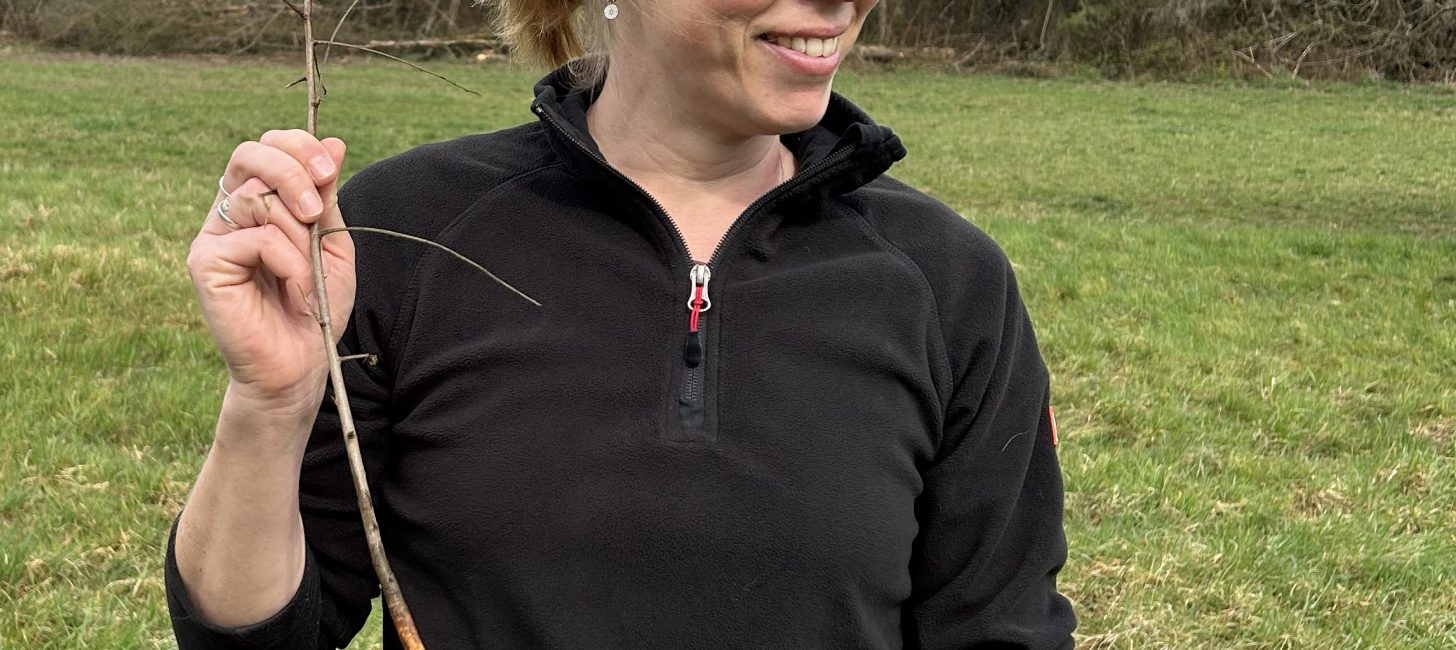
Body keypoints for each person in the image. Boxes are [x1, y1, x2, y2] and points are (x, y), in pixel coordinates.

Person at [166, 0, 1077, 647]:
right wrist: (269, 404)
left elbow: (1000, 629)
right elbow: (256, 637)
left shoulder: (948, 284)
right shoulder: (407, 236)